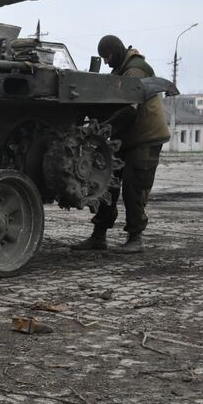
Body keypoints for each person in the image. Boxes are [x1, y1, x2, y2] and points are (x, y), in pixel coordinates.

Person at [72, 35, 171, 254]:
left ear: (116, 52)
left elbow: (128, 112)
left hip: (145, 137)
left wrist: (99, 130)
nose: (106, 62)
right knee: (108, 184)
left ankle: (136, 238)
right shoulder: (120, 71)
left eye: (107, 57)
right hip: (127, 138)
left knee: (134, 186)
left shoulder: (135, 71)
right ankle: (99, 236)